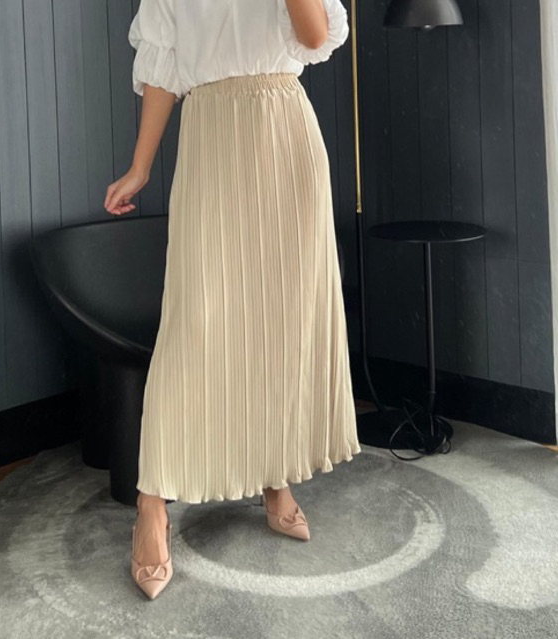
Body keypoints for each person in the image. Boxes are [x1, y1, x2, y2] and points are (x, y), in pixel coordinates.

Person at [103, 0, 361, 600]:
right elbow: (164, 68)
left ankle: (276, 475)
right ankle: (152, 505)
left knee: (280, 320)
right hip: (212, 139)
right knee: (195, 323)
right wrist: (141, 167)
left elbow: (314, 36)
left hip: (286, 132)